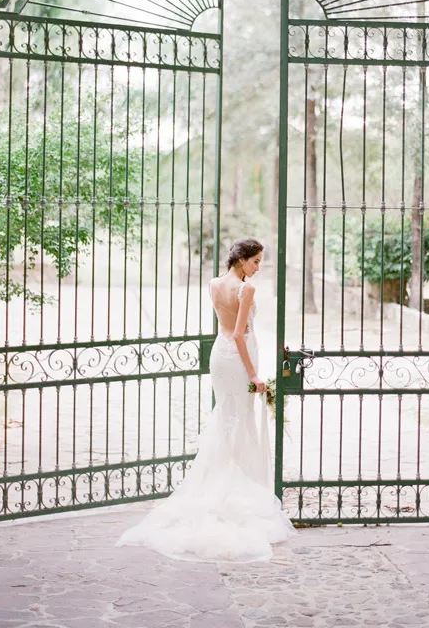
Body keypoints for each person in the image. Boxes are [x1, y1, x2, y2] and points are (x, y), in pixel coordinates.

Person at [117, 237, 295, 562]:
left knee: (225, 417)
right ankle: (235, 492)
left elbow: (225, 329)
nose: (258, 268)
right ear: (241, 260)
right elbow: (240, 333)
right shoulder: (246, 290)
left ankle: (219, 484)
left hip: (219, 356)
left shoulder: (213, 284)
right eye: (256, 262)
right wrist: (254, 373)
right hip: (239, 357)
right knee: (239, 419)